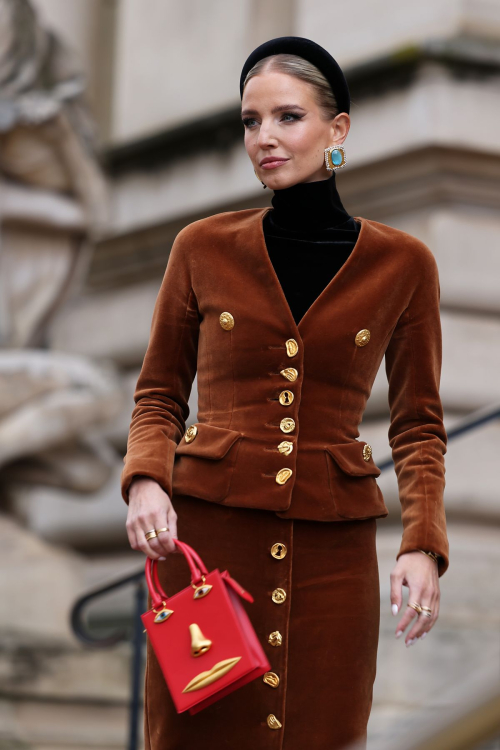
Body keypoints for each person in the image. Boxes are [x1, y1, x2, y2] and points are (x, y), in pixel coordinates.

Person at [121, 36, 449, 750]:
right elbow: (158, 395)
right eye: (250, 120)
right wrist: (147, 481)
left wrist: (422, 544)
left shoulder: (403, 264)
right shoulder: (200, 248)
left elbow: (418, 425)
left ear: (338, 131)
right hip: (210, 541)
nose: (264, 138)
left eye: (287, 117)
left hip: (336, 556)